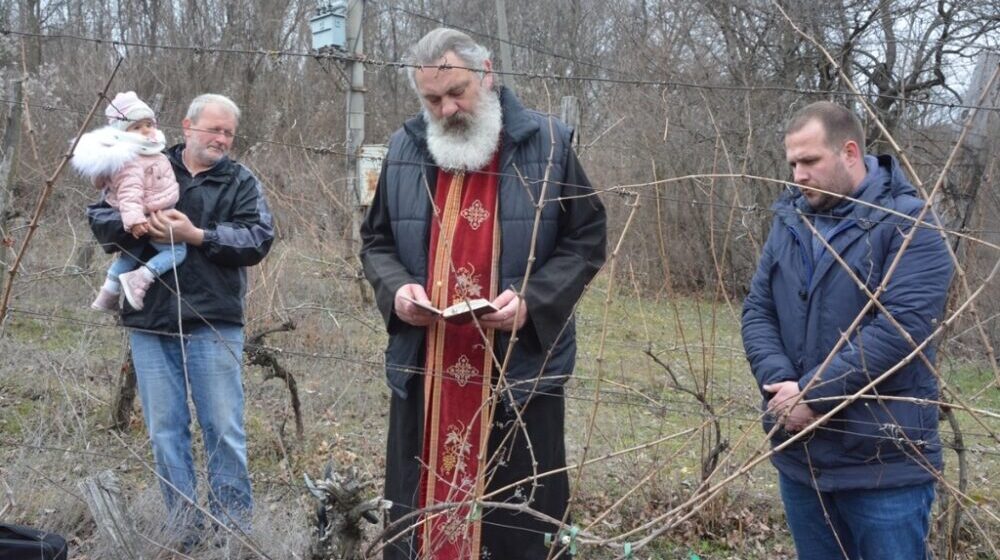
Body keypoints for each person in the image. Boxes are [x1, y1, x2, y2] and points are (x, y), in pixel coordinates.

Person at [361, 28, 607, 560]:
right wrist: (397, 291)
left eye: (457, 93)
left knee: (516, 524)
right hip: (425, 366)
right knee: (418, 519)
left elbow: (586, 240)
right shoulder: (406, 146)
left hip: (518, 373)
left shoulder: (550, 142)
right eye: (432, 99)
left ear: (487, 73)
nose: (447, 109)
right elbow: (376, 240)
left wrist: (533, 301)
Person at [741, 101, 954, 559]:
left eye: (810, 161)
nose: (798, 175)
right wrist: (782, 386)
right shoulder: (791, 221)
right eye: (793, 163)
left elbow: (899, 332)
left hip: (882, 466)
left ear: (850, 152)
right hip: (803, 458)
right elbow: (759, 309)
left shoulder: (910, 226)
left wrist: (812, 395)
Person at [87, 94, 273, 546]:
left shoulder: (240, 181)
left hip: (213, 319)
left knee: (224, 430)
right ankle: (183, 535)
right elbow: (99, 216)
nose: (222, 139)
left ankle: (233, 537)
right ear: (187, 126)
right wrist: (136, 225)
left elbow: (258, 238)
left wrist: (197, 235)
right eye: (213, 129)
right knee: (165, 432)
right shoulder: (143, 159)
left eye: (228, 132)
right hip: (149, 320)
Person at [73, 91, 186, 313]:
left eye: (148, 124)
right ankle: (142, 277)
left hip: (148, 213)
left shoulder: (148, 153)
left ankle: (108, 292)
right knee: (177, 252)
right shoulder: (132, 159)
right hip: (150, 216)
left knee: (132, 252)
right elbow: (129, 192)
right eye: (136, 127)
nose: (145, 130)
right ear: (122, 133)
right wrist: (134, 221)